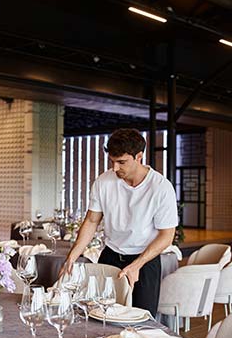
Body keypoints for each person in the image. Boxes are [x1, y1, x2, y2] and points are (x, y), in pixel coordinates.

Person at [61, 128, 178, 316]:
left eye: (122, 162)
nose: (115, 168)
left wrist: (137, 265)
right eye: (112, 161)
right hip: (110, 256)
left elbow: (167, 236)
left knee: (140, 320)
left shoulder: (161, 188)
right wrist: (73, 256)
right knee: (99, 315)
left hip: (145, 261)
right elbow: (92, 220)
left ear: (139, 156)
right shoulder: (103, 182)